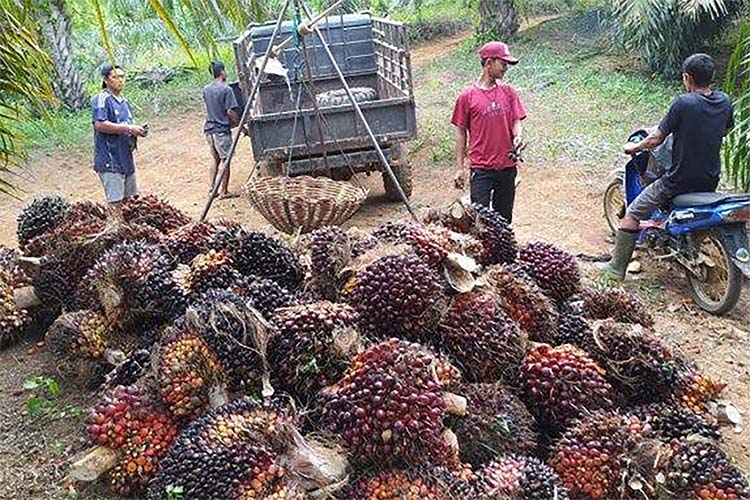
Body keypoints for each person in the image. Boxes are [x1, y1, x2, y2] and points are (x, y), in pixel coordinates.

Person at [603, 53, 734, 280]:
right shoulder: (724, 101)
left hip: (678, 180)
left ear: (687, 77)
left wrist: (634, 148)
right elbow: (725, 131)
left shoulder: (683, 103)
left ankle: (615, 270)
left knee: (633, 213)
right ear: (711, 77)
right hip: (710, 178)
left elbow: (656, 139)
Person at [452, 41, 527, 223]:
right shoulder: (467, 97)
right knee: (481, 222)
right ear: (488, 63)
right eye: (503, 63)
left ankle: (502, 252)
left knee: (504, 221)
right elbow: (461, 133)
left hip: (507, 168)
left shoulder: (509, 92)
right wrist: (460, 168)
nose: (506, 68)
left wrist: (518, 135)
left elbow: (516, 120)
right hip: (481, 170)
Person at [92, 64, 147, 210]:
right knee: (115, 203)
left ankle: (127, 230)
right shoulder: (102, 99)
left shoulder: (125, 102)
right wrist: (128, 128)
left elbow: (126, 126)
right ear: (106, 79)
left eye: (122, 77)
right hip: (110, 160)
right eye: (115, 77)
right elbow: (100, 124)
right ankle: (114, 229)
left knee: (131, 202)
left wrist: (137, 131)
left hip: (125, 159)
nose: (120, 80)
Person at [203, 61, 240, 199]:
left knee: (215, 159)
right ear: (222, 72)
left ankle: (212, 189)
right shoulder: (226, 90)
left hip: (209, 130)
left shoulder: (206, 89)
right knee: (226, 160)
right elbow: (230, 111)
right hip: (221, 131)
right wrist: (238, 123)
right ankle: (224, 191)